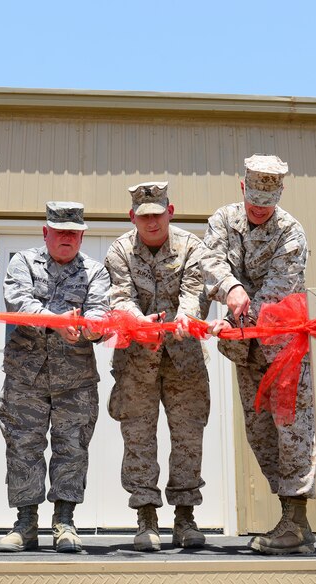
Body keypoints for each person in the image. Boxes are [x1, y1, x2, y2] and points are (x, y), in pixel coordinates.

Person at [203, 154, 316, 555]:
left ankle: (296, 521)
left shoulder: (291, 233)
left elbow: (275, 295)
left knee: (292, 429)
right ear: (242, 188)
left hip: (283, 348)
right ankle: (291, 520)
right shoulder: (223, 220)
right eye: (253, 201)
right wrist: (230, 287)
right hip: (245, 350)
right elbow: (210, 261)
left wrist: (233, 317)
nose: (258, 209)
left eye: (266, 204)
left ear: (279, 195)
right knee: (260, 432)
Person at [0, 202, 110, 553]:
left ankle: (64, 521)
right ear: (46, 233)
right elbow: (18, 303)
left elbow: (101, 313)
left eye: (73, 233)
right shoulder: (23, 263)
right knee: (23, 447)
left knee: (72, 449)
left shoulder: (95, 271)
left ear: (81, 236)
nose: (67, 238)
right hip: (25, 378)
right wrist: (60, 322)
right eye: (60, 232)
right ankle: (25, 523)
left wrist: (87, 329)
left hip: (74, 381)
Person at [104, 181, 210, 552]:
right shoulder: (119, 250)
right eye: (144, 216)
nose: (152, 222)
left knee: (187, 436)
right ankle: (145, 516)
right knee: (138, 436)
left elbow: (195, 289)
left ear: (171, 211)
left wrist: (186, 317)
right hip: (137, 358)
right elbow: (119, 295)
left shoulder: (192, 246)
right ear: (133, 217)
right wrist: (139, 320)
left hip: (184, 359)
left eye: (158, 215)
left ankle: (185, 518)